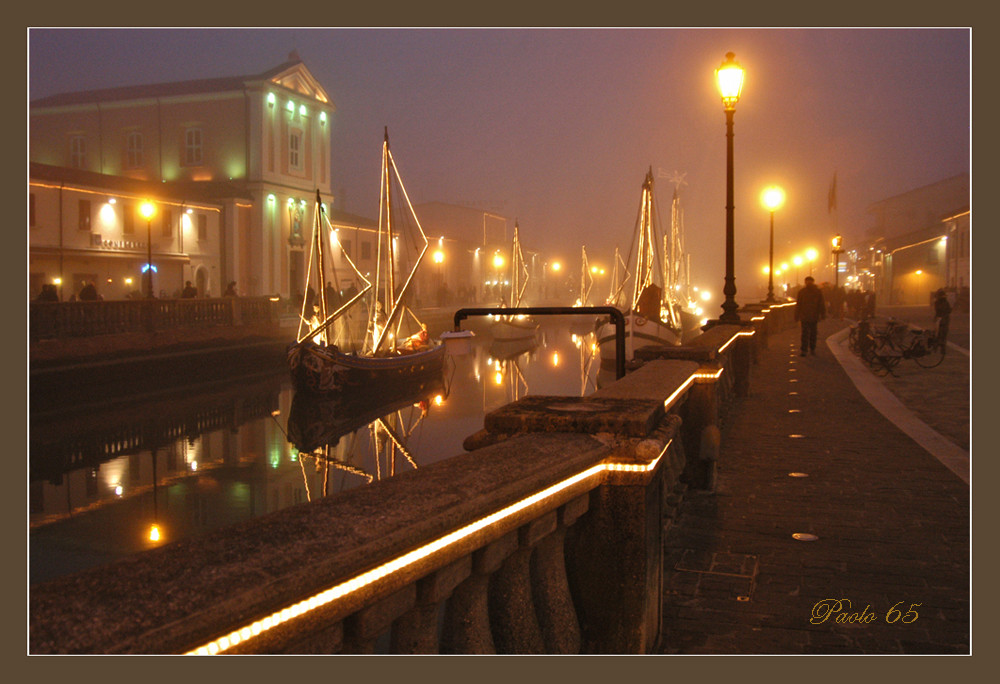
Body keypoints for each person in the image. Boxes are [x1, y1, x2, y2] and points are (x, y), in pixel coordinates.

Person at [795, 276, 826, 356]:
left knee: (806, 333)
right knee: (813, 333)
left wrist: (797, 315)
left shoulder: (802, 292)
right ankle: (812, 349)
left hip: (805, 316)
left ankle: (804, 350)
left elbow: (798, 305)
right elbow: (821, 304)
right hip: (813, 316)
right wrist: (823, 314)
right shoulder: (817, 291)